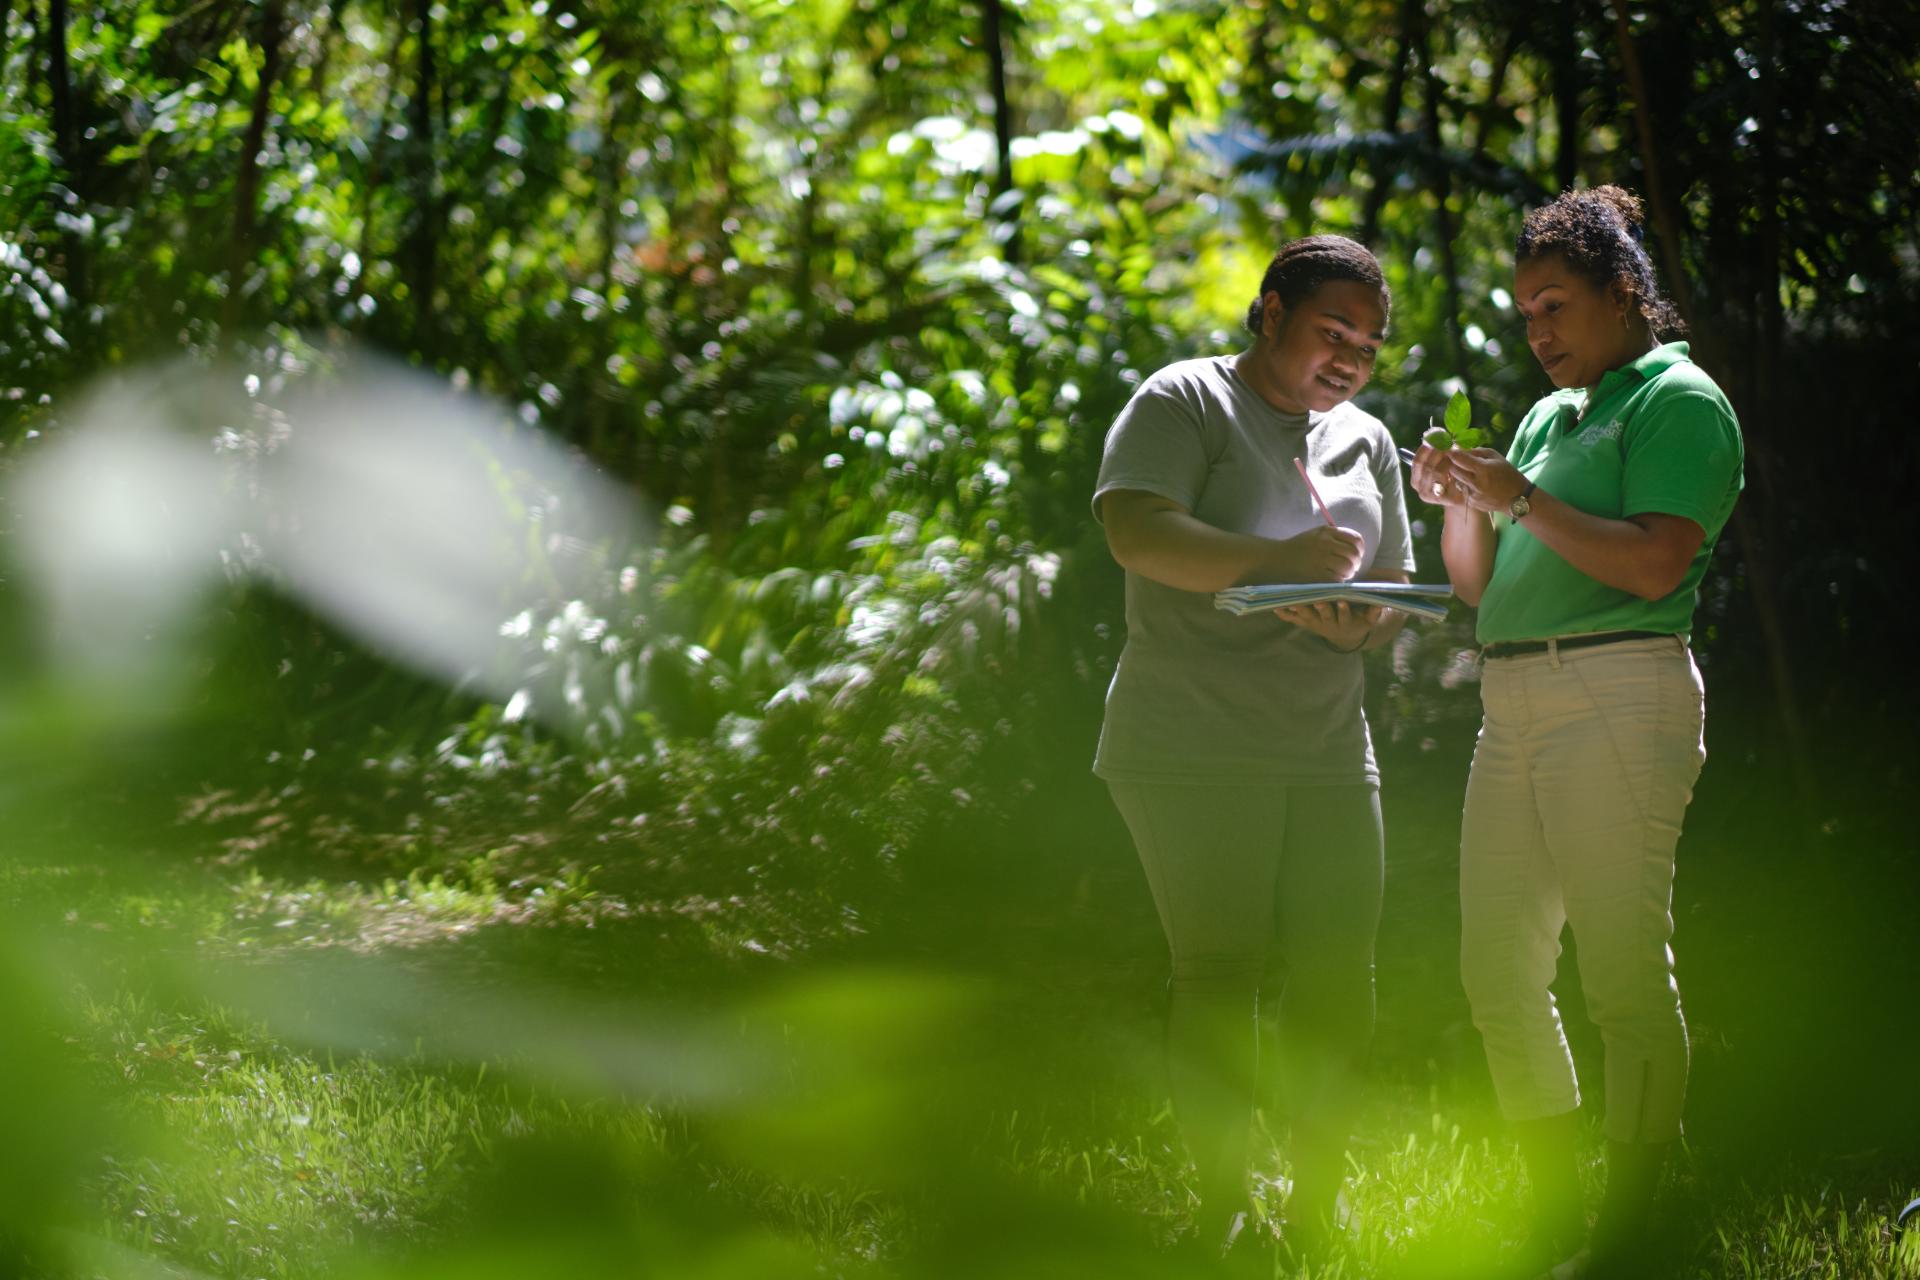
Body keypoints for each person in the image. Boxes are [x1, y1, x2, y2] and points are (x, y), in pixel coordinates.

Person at [1411, 186, 1743, 1279]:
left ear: (1623, 293)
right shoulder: (1548, 418)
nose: (1538, 332)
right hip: (1514, 704)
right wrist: (1459, 498)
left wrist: (1521, 503)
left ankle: (1635, 1228)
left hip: (1621, 691)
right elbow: (1474, 588)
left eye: (1555, 305)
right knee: (1497, 969)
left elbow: (1653, 561)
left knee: (1618, 974)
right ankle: (1559, 1214)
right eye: (1524, 315)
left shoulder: (1679, 398)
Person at [1094, 234, 1416, 1261]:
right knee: (1219, 973)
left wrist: (1365, 622)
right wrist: (1276, 562)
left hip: (1327, 740)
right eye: (1333, 331)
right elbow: (1137, 531)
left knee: (1338, 976)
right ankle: (1223, 1207)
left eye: (1367, 344)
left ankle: (1319, 1201)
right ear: (1269, 311)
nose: (1351, 359)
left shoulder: (1366, 437)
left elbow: (1393, 589)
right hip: (1188, 740)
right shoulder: (1183, 399)